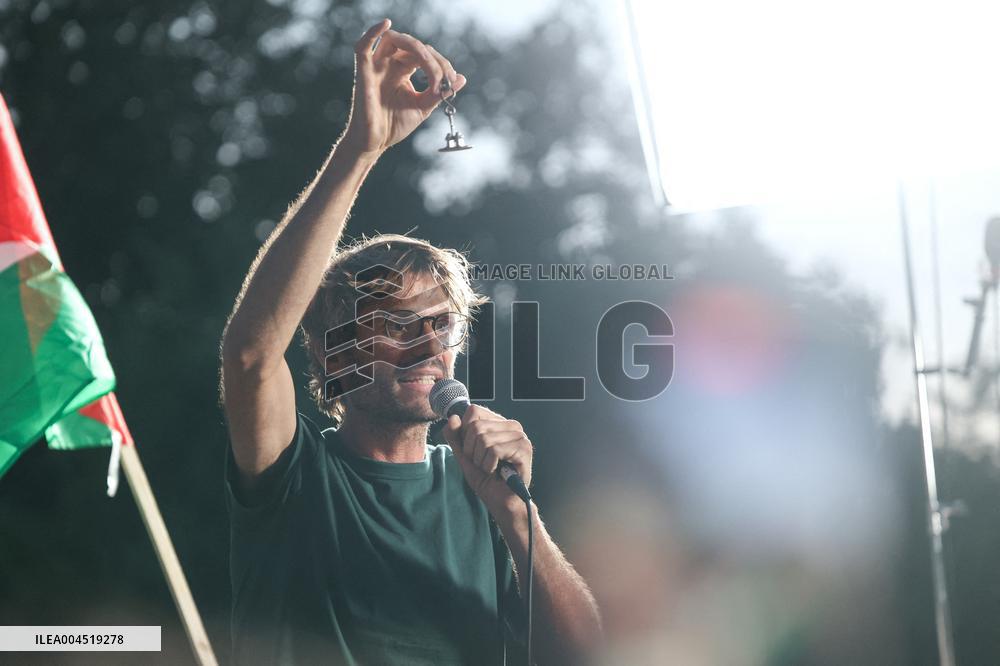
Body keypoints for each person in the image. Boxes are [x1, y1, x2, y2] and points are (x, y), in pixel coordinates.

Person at [218, 18, 602, 666]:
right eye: (397, 324)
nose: (428, 345)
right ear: (332, 352)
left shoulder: (483, 490)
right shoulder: (294, 472)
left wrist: (517, 517)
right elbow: (252, 357)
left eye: (441, 324)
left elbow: (586, 654)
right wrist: (361, 149)